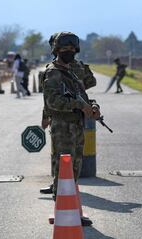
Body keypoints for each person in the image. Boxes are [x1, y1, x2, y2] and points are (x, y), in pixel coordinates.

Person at [41, 32, 101, 199]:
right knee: (63, 167)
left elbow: (82, 95)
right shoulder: (53, 72)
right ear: (56, 49)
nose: (69, 51)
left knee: (74, 167)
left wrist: (93, 107)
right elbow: (52, 101)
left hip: (76, 126)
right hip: (63, 127)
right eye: (65, 48)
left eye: (72, 48)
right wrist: (79, 105)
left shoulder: (73, 71)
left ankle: (70, 206)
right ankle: (63, 205)